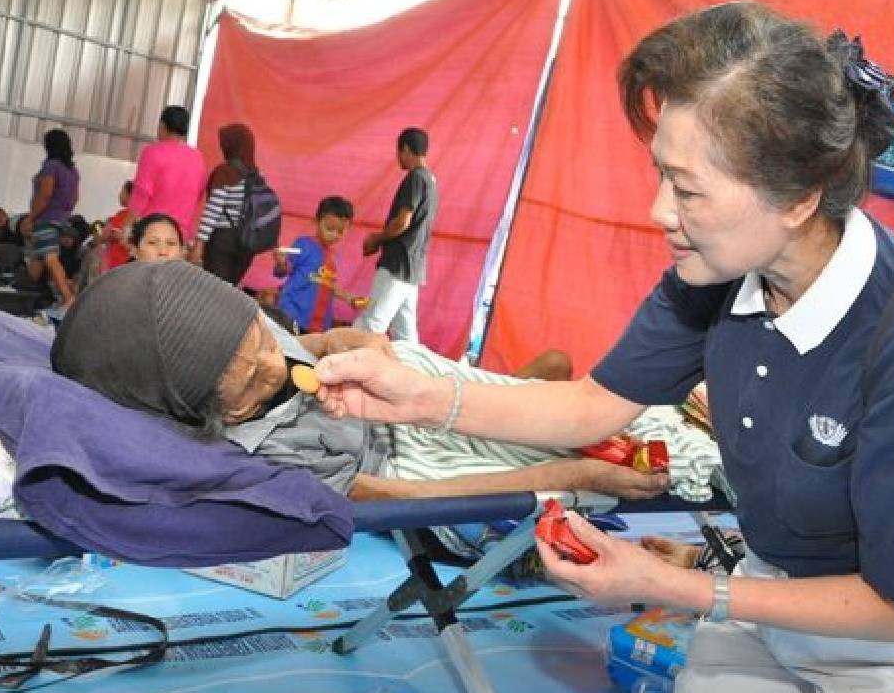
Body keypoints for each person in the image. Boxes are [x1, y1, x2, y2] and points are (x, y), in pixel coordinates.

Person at [311, 1, 894, 693]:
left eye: (688, 188)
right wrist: (419, 394)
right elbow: (591, 404)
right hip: (770, 601)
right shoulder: (719, 273)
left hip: (892, 655)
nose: (657, 211)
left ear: (797, 199)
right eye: (661, 175)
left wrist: (673, 585)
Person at [50, 262, 723, 557]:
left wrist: (352, 343)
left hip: (409, 377)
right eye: (251, 382)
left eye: (260, 336)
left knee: (592, 405)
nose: (278, 367)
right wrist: (574, 482)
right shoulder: (255, 461)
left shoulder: (240, 334)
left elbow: (307, 344)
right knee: (640, 458)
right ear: (198, 410)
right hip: (412, 451)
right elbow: (404, 495)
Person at [354, 127, 438, 342]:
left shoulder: (416, 178)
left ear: (406, 149)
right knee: (405, 334)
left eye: (399, 152)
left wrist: (377, 238)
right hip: (413, 267)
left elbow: (402, 222)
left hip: (398, 263)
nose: (398, 158)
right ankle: (413, 371)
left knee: (371, 323)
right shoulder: (430, 181)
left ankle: (342, 367)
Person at [275, 195, 367, 333]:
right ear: (316, 222)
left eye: (341, 232)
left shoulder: (333, 257)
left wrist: (349, 298)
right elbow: (281, 272)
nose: (335, 235)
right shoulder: (303, 244)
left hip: (317, 323)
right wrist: (281, 262)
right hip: (292, 314)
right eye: (330, 229)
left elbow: (327, 284)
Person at [191, 123, 261, 284]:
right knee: (229, 291)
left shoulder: (225, 172)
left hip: (223, 241)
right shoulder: (258, 175)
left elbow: (213, 210)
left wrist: (199, 244)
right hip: (246, 245)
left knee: (215, 291)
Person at [126, 105, 206, 245]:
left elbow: (141, 193)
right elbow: (199, 195)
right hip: (179, 236)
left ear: (162, 125)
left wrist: (128, 226)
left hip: (152, 232)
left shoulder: (152, 152)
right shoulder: (197, 158)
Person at [21, 129, 80, 307]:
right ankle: (23, 294)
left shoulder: (51, 166)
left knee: (49, 258)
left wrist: (30, 218)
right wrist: (63, 215)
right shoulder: (72, 170)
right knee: (37, 259)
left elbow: (45, 195)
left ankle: (68, 298)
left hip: (46, 219)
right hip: (62, 219)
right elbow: (75, 198)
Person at [100, 182, 133, 272]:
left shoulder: (137, 217)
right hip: (113, 265)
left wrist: (120, 236)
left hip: (126, 266)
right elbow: (104, 236)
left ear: (130, 195)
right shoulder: (119, 215)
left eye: (122, 192)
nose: (119, 195)